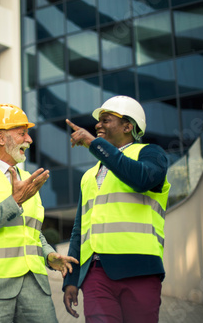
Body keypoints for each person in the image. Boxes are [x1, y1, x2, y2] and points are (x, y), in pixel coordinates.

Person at [0, 104, 79, 323]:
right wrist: (15, 201)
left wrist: (49, 255)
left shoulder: (28, 178)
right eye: (22, 133)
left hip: (35, 287)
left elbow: (32, 232)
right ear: (1, 138)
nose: (29, 139)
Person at [62, 95, 171, 323]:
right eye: (98, 121)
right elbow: (79, 230)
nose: (98, 125)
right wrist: (71, 280)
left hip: (140, 269)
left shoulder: (151, 154)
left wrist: (94, 144)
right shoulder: (88, 176)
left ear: (127, 126)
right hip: (96, 273)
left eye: (106, 120)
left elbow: (141, 179)